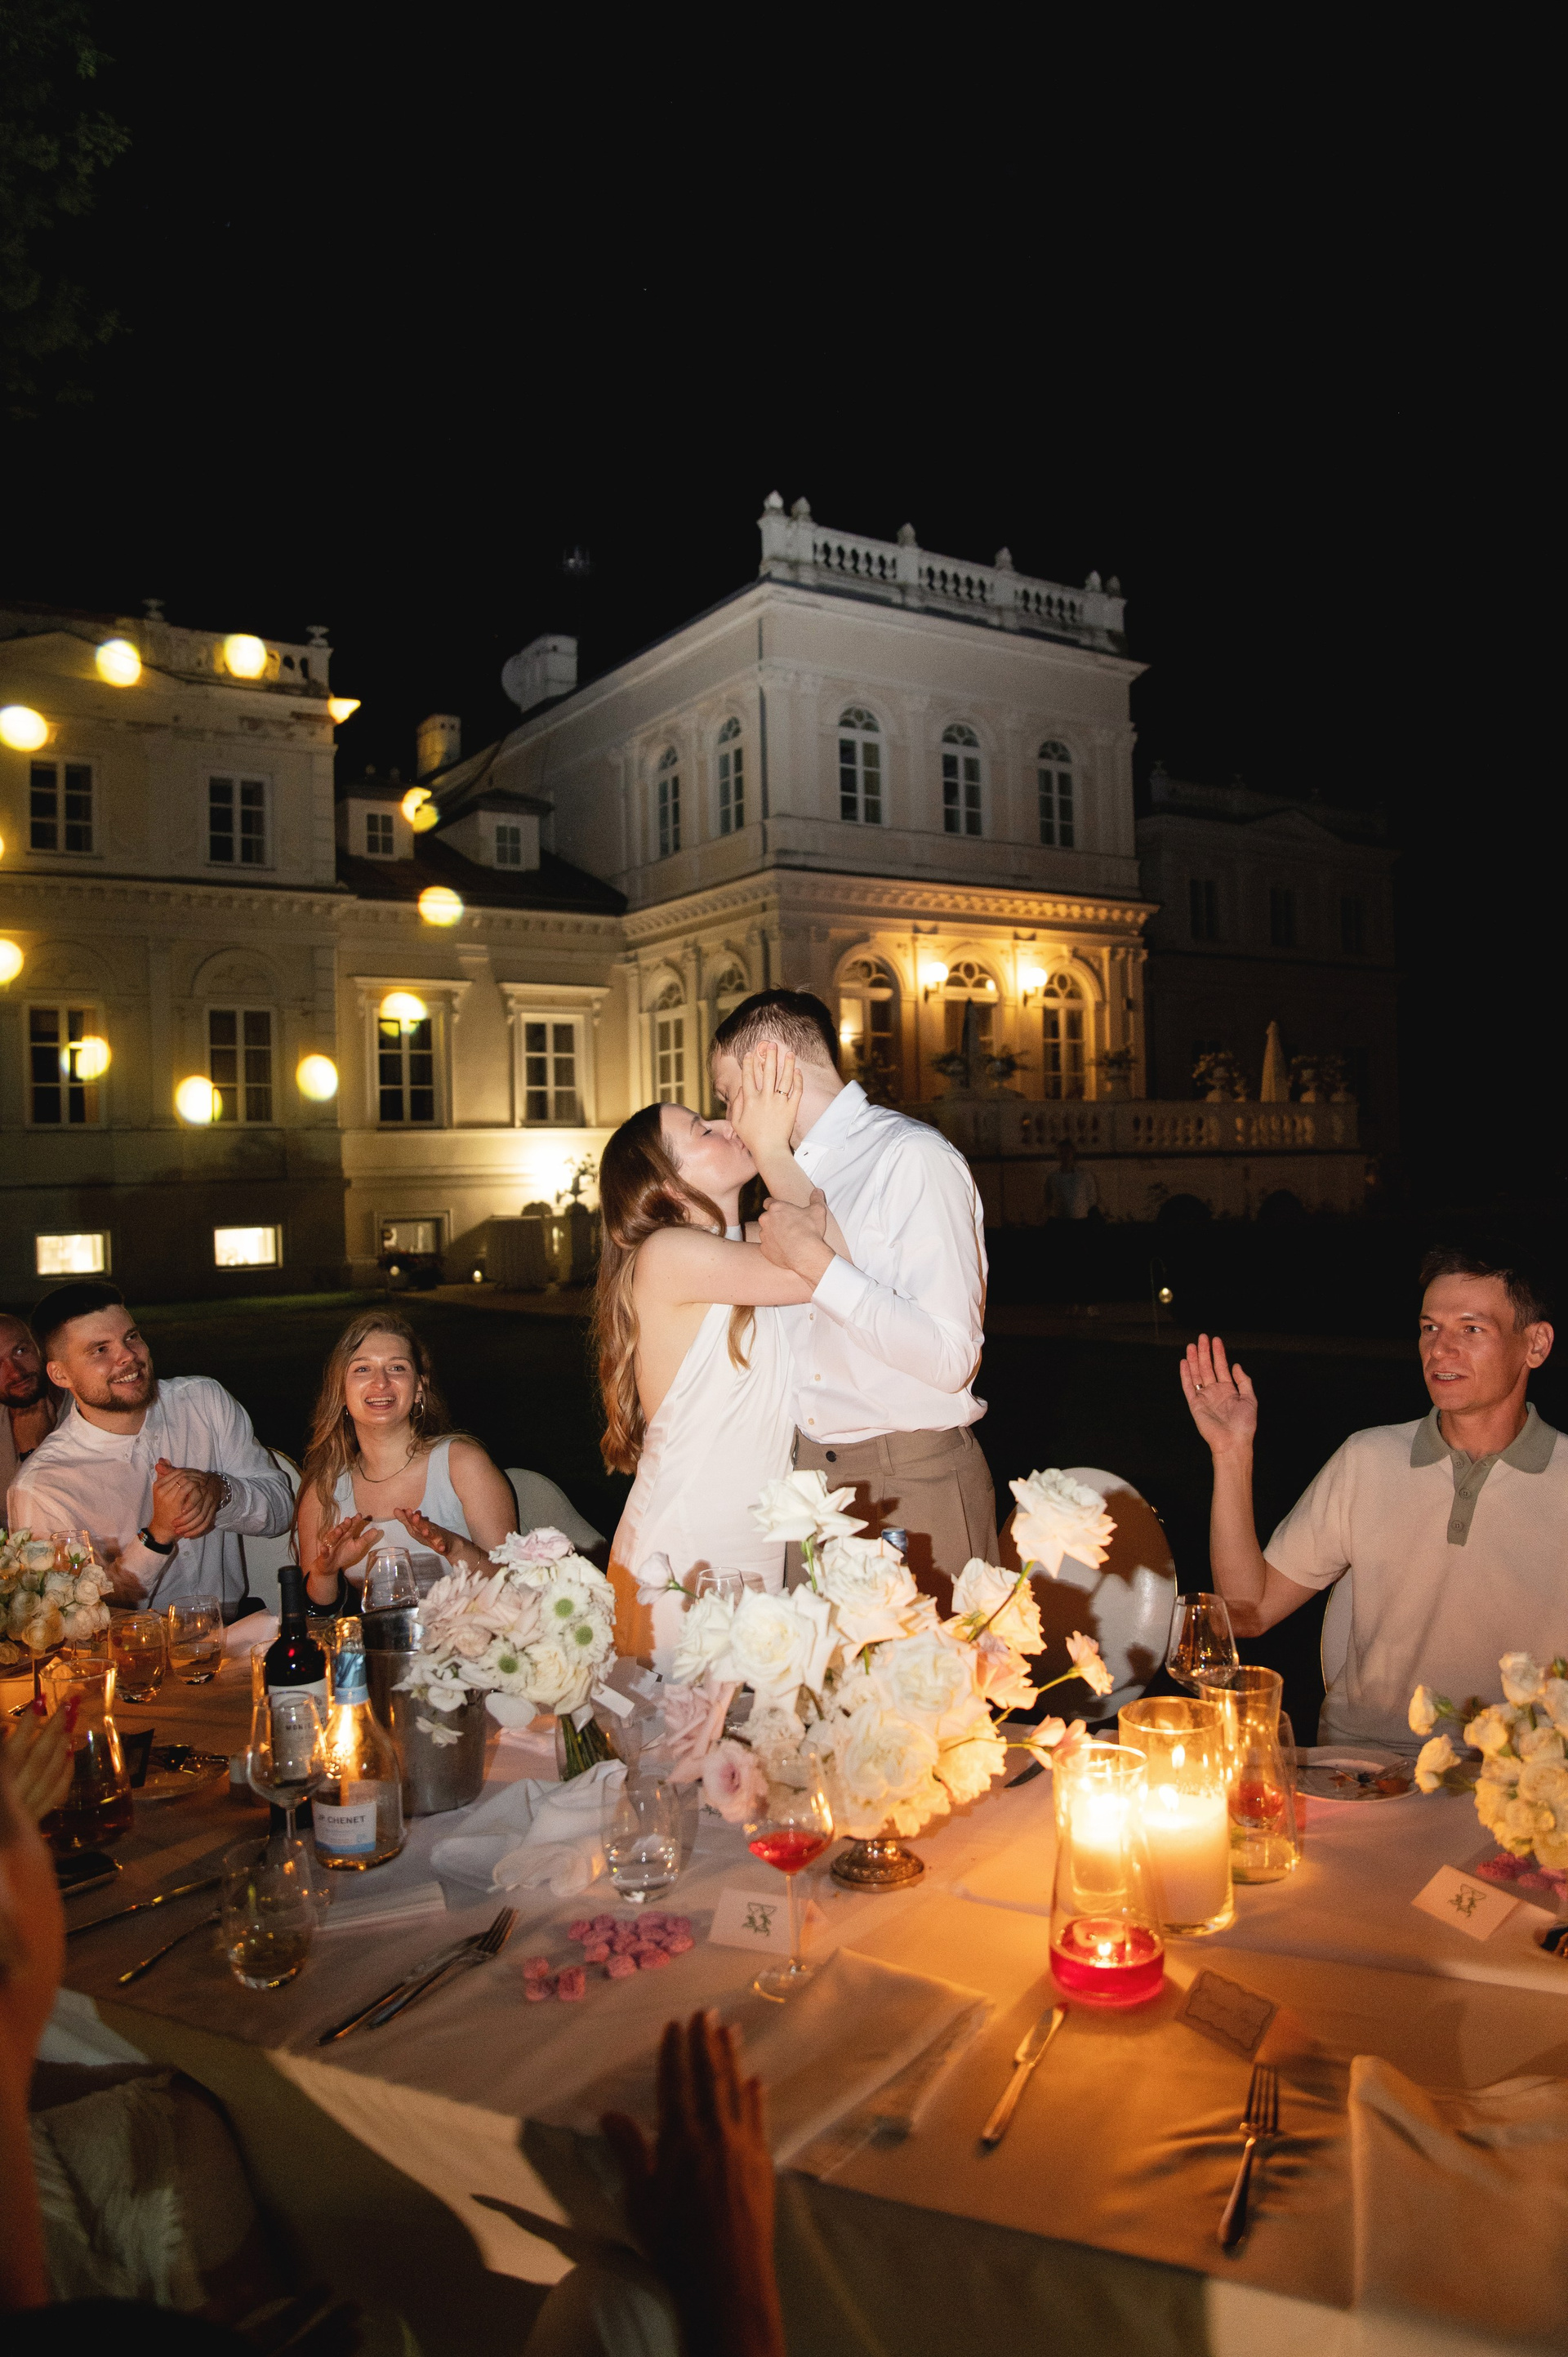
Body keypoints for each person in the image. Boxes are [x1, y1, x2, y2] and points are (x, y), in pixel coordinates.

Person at [1181, 1247, 1561, 1749]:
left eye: (1471, 1329)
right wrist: (1231, 1453)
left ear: (1535, 1344)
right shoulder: (1367, 1458)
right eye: (1429, 1328)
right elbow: (1247, 1613)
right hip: (1361, 1762)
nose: (1440, 1350)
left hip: (1513, 1778)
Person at [712, 989, 997, 1592]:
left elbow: (951, 1358)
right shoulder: (791, 1172)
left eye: (728, 1093)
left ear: (770, 1065)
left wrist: (818, 1267)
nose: (729, 1118)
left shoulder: (910, 1156)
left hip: (911, 1480)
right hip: (810, 1483)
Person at [594, 1051, 831, 1656]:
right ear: (669, 1187)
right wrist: (771, 1148)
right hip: (686, 1546)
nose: (728, 1125)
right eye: (703, 1130)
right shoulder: (668, 1254)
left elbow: (833, 1249)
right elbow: (827, 1267)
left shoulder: (743, 1243)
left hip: (752, 1539)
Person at [7, 1284, 292, 1613]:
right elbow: (74, 1615)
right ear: (60, 1375)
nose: (128, 1356)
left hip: (234, 1628)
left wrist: (220, 1492)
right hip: (133, 1642)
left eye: (131, 1337)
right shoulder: (43, 1487)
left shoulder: (203, 1401)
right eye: (100, 1350)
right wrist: (157, 1536)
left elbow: (281, 1512)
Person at [296, 1312, 518, 1608]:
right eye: (362, 1369)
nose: (381, 1382)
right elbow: (314, 1616)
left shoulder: (462, 1465)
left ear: (419, 1387)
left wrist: (454, 1547)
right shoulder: (324, 1491)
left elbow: (516, 1585)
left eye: (397, 1368)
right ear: (341, 1391)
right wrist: (325, 1573)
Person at [0, 1317, 64, 1508]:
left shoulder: (91, 1407)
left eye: (21, 1351)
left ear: (40, 1347)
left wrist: (33, 1453)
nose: (15, 1372)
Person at [1045, 1137, 1098, 1220]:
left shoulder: (1085, 1175)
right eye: (1061, 1153)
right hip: (1059, 1220)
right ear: (1057, 1155)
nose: (1065, 1156)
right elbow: (1048, 1198)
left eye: (1067, 1152)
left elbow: (1092, 1198)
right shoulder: (1052, 1177)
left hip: (1080, 1220)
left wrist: (1082, 1210)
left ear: (1073, 1153)